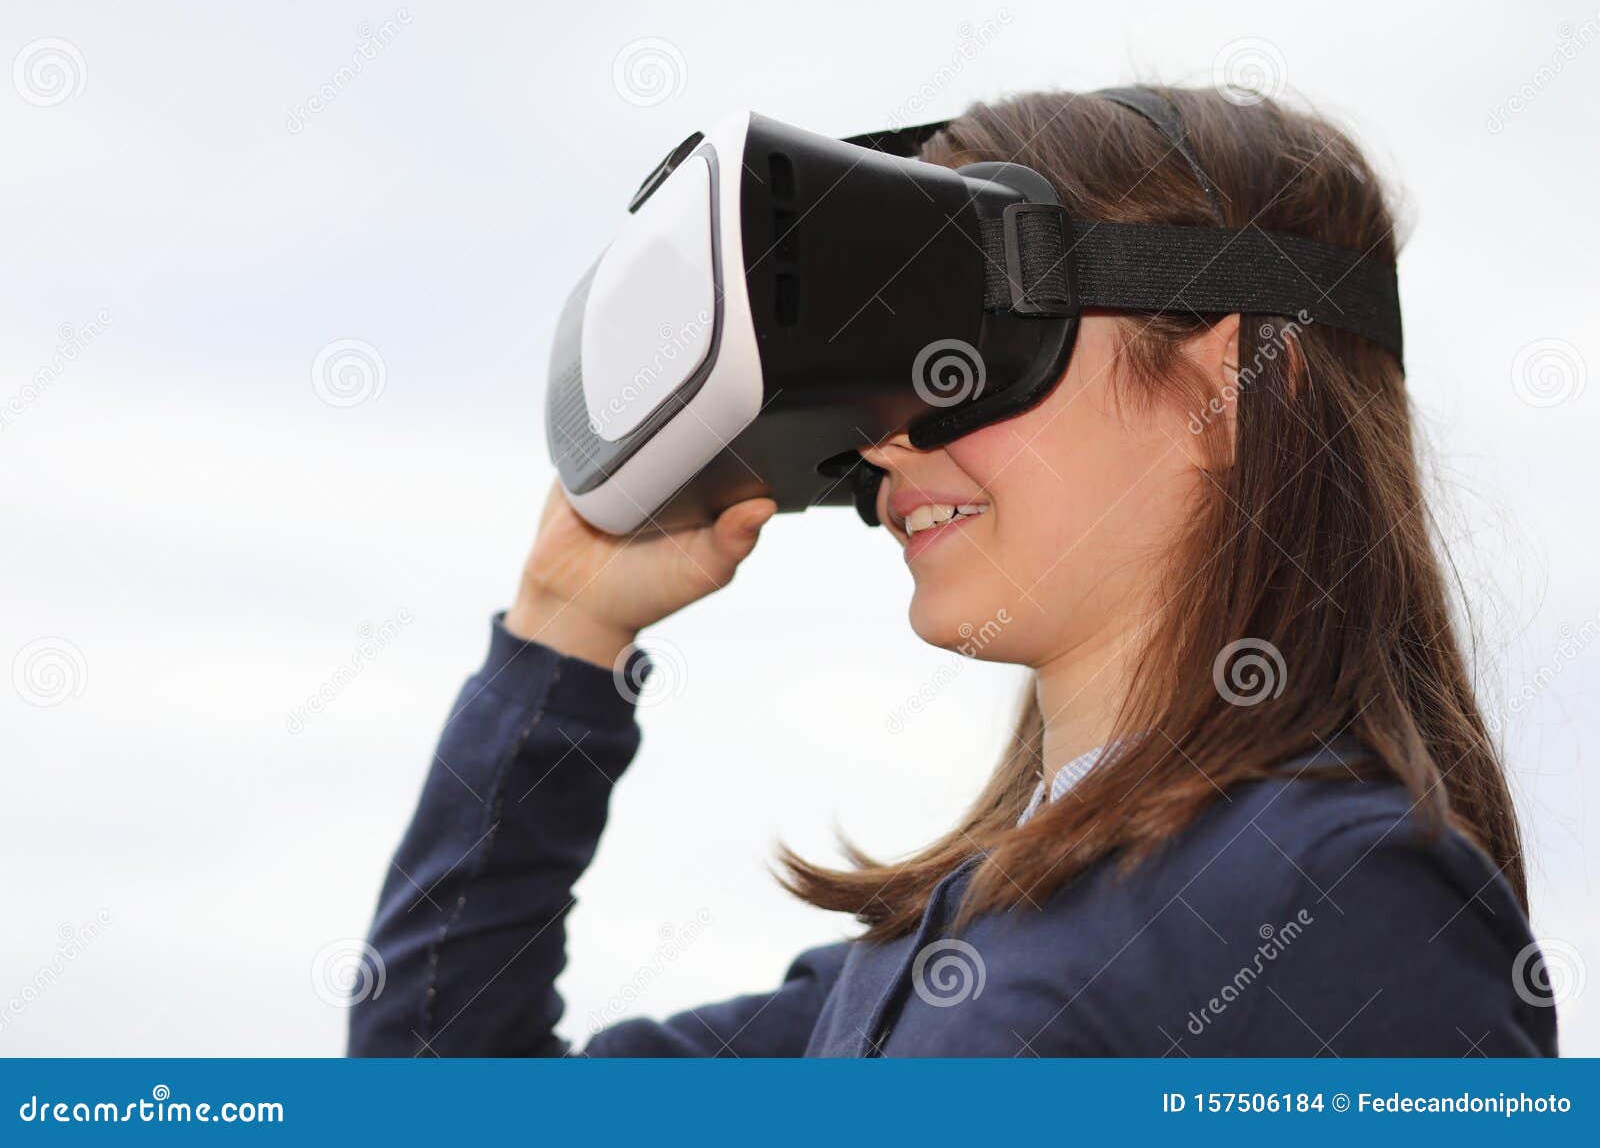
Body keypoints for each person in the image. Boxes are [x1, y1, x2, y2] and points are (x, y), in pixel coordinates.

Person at [349, 87, 1556, 1057]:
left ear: (1240, 389)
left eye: (973, 344)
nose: (887, 435)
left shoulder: (1342, 900)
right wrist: (565, 632)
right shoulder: (899, 972)